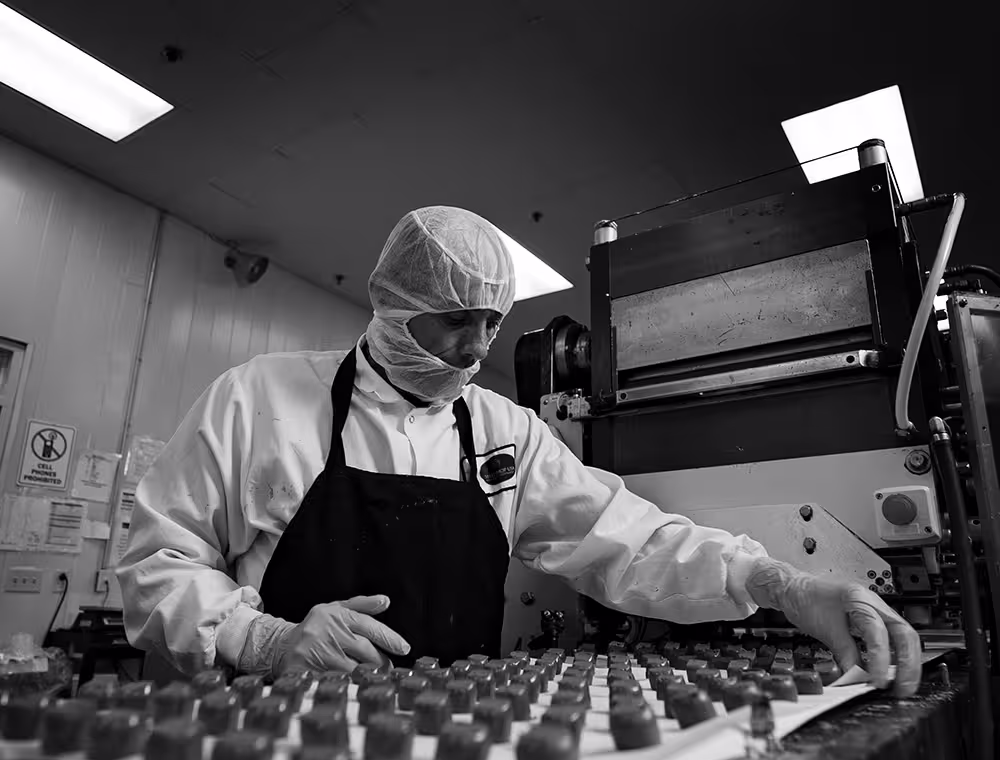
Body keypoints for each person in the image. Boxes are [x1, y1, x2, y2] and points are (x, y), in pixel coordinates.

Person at [117, 206, 921, 695]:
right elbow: (156, 561)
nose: (474, 351)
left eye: (492, 323)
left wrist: (784, 584)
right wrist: (264, 639)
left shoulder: (504, 432)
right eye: (455, 321)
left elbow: (631, 541)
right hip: (276, 740)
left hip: (459, 746)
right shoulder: (260, 399)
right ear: (396, 308)